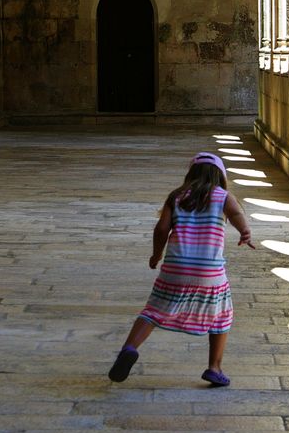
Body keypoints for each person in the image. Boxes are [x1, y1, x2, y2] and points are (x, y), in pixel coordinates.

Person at [108, 151, 255, 387]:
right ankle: (214, 368)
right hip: (209, 272)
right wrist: (244, 231)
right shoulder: (223, 196)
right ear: (221, 176)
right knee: (221, 316)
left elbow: (161, 229)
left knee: (153, 311)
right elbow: (236, 213)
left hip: (175, 267)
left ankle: (129, 347)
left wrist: (156, 255)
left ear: (190, 174)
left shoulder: (176, 197)